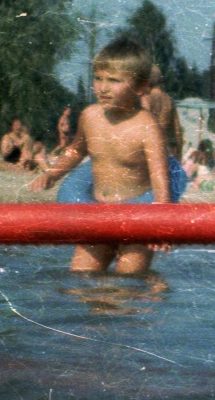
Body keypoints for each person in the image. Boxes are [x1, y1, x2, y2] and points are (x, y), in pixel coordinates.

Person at [30, 39, 186, 276]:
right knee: (80, 277)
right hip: (98, 213)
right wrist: (52, 173)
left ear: (141, 87)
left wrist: (160, 223)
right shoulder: (90, 117)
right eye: (98, 78)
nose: (102, 88)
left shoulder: (147, 127)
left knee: (128, 282)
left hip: (139, 218)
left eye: (113, 81)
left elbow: (160, 178)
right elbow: (76, 149)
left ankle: (153, 289)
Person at [143, 65, 185, 159]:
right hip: (165, 149)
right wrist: (179, 154)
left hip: (148, 149)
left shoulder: (147, 98)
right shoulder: (169, 100)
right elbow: (177, 131)